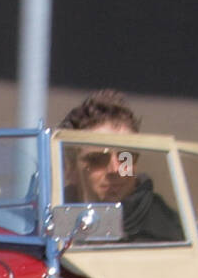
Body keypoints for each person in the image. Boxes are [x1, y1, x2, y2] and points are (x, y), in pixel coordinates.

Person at [58, 89, 183, 243]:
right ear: (70, 168)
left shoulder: (164, 231)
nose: (115, 170)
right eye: (97, 159)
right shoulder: (52, 218)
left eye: (125, 157)